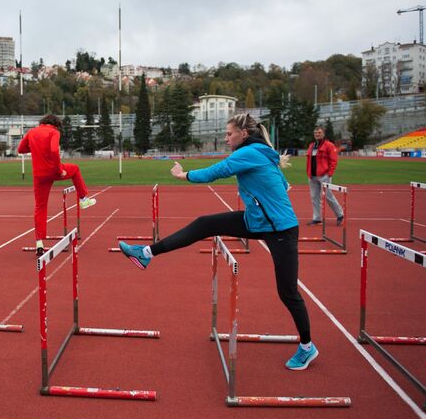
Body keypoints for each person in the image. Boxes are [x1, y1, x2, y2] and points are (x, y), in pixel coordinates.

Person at [118, 113, 318, 371]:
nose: (225, 139)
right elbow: (283, 183)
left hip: (280, 229)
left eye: (228, 134)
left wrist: (184, 175)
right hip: (256, 221)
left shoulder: (251, 153)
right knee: (205, 223)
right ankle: (146, 253)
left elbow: (218, 171)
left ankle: (307, 347)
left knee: (288, 293)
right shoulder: (261, 152)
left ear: (243, 135)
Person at [18, 114, 96, 256]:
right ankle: (83, 199)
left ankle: (39, 242)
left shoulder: (32, 132)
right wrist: (59, 170)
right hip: (53, 171)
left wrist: (37, 149)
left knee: (40, 207)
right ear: (56, 124)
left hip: (39, 175)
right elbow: (54, 150)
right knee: (76, 169)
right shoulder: (54, 132)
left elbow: (21, 150)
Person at [305, 126, 343, 226]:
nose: (317, 134)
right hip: (312, 176)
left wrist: (329, 174)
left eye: (319, 133)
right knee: (314, 197)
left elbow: (333, 161)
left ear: (323, 134)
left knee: (328, 196)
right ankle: (317, 218)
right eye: (316, 133)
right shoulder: (312, 145)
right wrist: (308, 173)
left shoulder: (329, 145)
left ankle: (340, 215)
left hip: (324, 175)